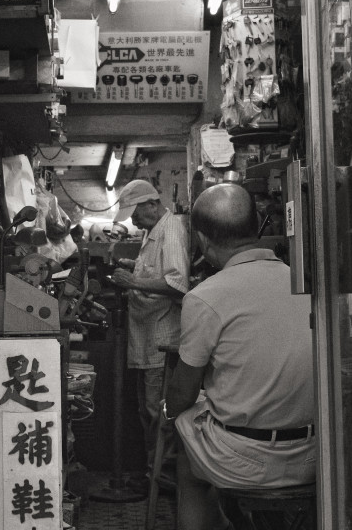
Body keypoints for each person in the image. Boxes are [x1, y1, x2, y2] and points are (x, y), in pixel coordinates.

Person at [165, 183, 315, 530]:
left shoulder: (206, 297)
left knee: (185, 441)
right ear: (259, 225)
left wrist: (169, 414)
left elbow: (181, 395)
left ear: (202, 240)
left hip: (244, 459)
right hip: (315, 452)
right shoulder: (308, 283)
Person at [110, 179, 190, 492]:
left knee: (159, 412)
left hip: (161, 338)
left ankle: (160, 479)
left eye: (135, 212)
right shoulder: (153, 231)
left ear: (152, 204)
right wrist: (137, 268)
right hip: (147, 337)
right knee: (149, 411)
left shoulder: (171, 231)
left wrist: (133, 282)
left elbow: (175, 284)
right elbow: (159, 273)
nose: (131, 219)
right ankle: (152, 473)